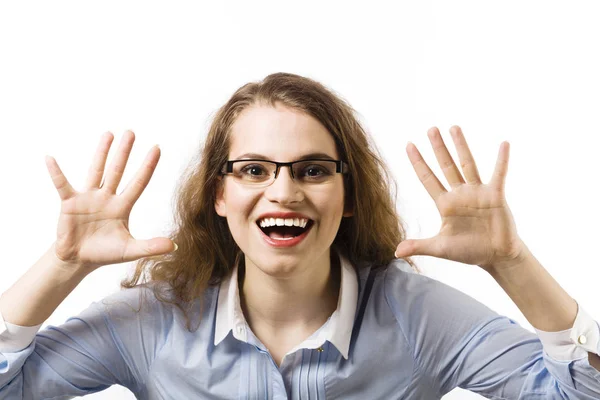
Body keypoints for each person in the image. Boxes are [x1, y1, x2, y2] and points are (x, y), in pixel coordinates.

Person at [0, 72, 599, 399]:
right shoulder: (155, 320)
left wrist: (513, 263)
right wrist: (62, 265)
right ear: (219, 195)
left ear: (350, 197)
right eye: (254, 170)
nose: (283, 192)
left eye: (313, 170)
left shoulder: (416, 318)